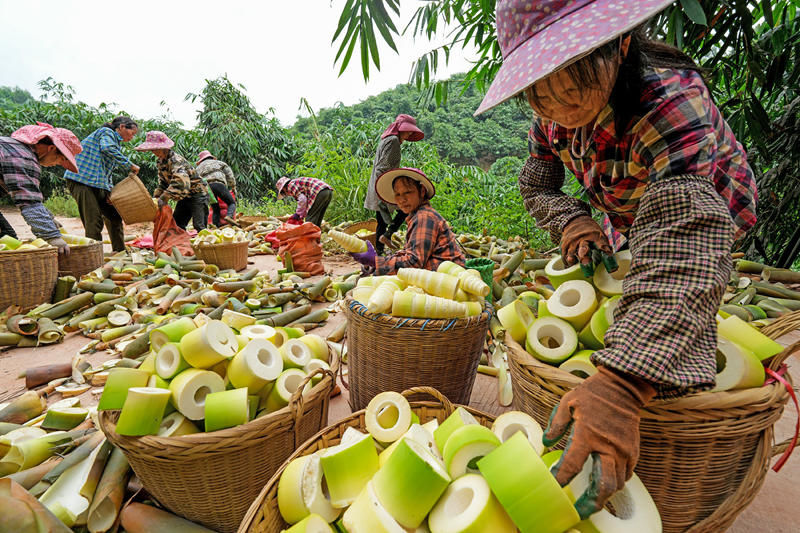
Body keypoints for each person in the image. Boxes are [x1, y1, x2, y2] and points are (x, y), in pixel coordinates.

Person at [474, 0, 758, 519]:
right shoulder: (550, 121)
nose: (560, 106)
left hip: (704, 208)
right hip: (626, 211)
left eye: (573, 85)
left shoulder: (670, 101)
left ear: (620, 46)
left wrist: (623, 384)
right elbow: (538, 184)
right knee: (629, 286)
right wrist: (573, 221)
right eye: (541, 92)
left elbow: (685, 235)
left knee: (682, 301)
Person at [351, 167, 465, 275]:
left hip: (448, 278)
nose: (402, 199)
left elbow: (414, 262)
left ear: (422, 191)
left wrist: (376, 262)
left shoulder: (424, 217)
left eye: (407, 192)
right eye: (398, 194)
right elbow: (409, 254)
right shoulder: (417, 216)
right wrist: (377, 263)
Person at [0, 122, 83, 255]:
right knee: (7, 240)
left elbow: (30, 196)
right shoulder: (23, 156)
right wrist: (52, 236)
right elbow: (29, 202)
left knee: (7, 237)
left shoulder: (12, 147)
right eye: (61, 159)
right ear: (51, 148)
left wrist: (49, 218)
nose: (57, 164)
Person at [63, 116, 140, 252]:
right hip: (81, 180)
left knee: (114, 216)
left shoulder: (114, 142)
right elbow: (107, 148)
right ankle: (95, 255)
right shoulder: (106, 132)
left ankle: (120, 252)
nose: (132, 137)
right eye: (132, 133)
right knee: (93, 220)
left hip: (97, 183)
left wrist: (109, 190)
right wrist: (129, 164)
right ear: (122, 127)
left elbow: (106, 171)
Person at [365, 114, 425, 253]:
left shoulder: (387, 139)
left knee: (382, 220)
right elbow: (383, 167)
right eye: (408, 130)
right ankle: (386, 237)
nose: (410, 133)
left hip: (379, 183)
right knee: (406, 208)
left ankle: (380, 248)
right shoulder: (393, 141)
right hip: (383, 184)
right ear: (400, 128)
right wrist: (384, 189)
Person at [134, 131, 207, 231]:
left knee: (199, 225)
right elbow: (163, 183)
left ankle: (208, 241)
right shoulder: (160, 162)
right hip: (185, 196)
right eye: (152, 150)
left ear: (164, 148)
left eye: (155, 149)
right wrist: (157, 196)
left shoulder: (176, 160)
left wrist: (164, 197)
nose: (154, 152)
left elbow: (180, 182)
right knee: (177, 225)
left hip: (197, 193)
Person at [196, 150, 237, 226]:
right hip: (219, 185)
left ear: (201, 160)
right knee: (231, 203)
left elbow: (195, 180)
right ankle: (229, 216)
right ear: (211, 157)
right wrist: (233, 186)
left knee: (215, 208)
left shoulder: (198, 168)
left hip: (207, 188)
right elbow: (230, 175)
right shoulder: (219, 163)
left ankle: (216, 226)